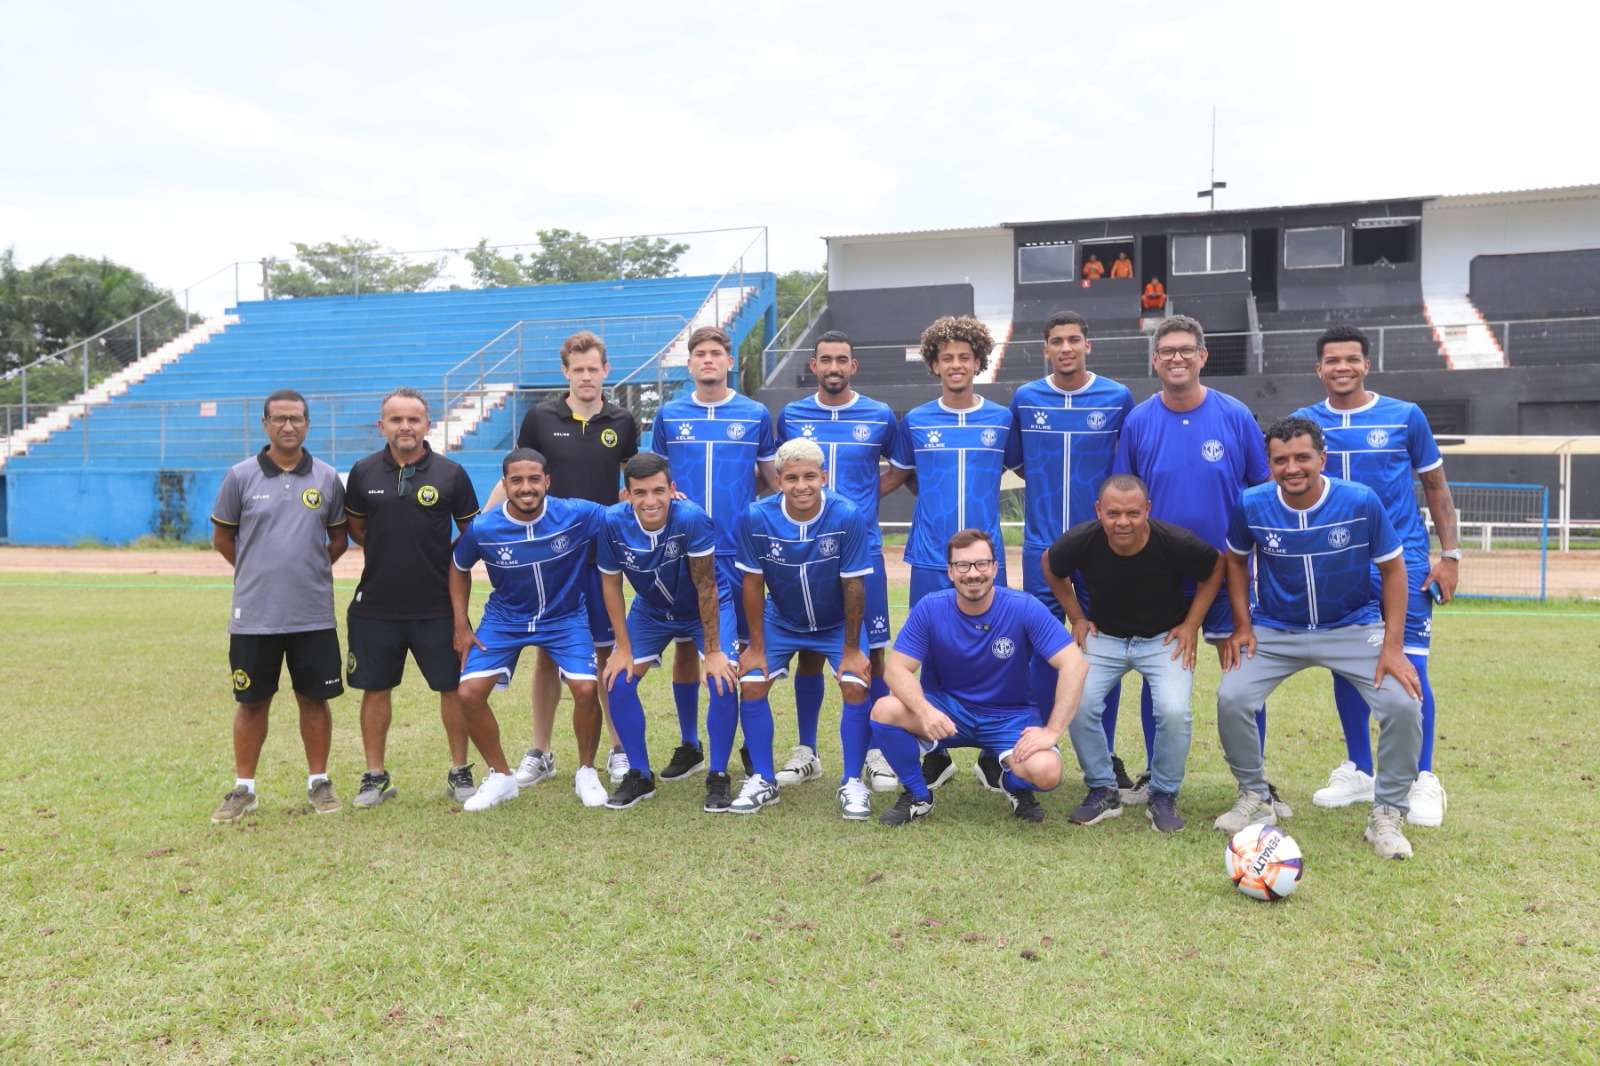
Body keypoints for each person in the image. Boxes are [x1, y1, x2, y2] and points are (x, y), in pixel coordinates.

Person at [1213, 417, 1424, 860]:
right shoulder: (1251, 504)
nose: (1292, 467)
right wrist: (1243, 624)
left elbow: (1393, 569)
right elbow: (1234, 560)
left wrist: (1392, 645)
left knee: (1403, 704)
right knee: (1232, 697)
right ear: (1268, 463)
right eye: (1281, 459)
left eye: (1302, 457)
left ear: (1321, 459)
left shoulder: (1360, 501)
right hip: (1275, 630)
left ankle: (1387, 812)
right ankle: (1256, 797)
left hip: (1351, 626)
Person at [1112, 314, 1280, 813]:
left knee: (1243, 680)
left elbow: (1262, 489)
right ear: (1155, 360)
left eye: (1187, 349)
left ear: (1203, 356)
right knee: (1157, 678)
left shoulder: (1234, 415)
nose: (1177, 358)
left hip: (1228, 572)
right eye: (1167, 351)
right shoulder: (1139, 421)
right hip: (1159, 575)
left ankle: (1254, 782)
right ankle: (1154, 774)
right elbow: (1125, 496)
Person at [1294, 325, 1460, 826]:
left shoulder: (1404, 416)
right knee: (1347, 665)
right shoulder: (1304, 422)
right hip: (1334, 566)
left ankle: (1421, 778)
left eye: (1351, 359)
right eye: (1331, 360)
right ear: (1318, 368)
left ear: (1367, 364)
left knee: (1410, 663)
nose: (1341, 367)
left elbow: (1435, 487)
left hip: (1402, 562)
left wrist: (1449, 555)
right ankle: (1360, 769)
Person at [880, 315, 1017, 807]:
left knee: (991, 650)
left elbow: (1029, 468)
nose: (956, 365)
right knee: (931, 652)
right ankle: (936, 750)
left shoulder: (1001, 418)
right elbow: (897, 477)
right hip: (928, 555)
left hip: (985, 560)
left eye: (965, 356)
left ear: (978, 362)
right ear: (934, 365)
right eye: (947, 358)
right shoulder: (915, 421)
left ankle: (989, 749)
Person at [867, 530, 1088, 827]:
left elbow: (1075, 664)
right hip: (949, 713)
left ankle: (1013, 786)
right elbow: (895, 669)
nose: (973, 573)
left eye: (982, 564)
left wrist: (1052, 730)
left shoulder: (1024, 607)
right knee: (884, 710)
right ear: (950, 571)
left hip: (1010, 717)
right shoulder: (931, 607)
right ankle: (919, 796)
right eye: (963, 565)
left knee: (1048, 772)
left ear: (995, 568)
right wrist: (925, 710)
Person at [500, 331, 639, 790]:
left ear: (605, 370)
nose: (585, 376)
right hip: (549, 556)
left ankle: (619, 750)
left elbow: (632, 483)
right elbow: (518, 474)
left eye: (592, 368)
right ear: (565, 372)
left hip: (601, 555)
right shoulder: (540, 417)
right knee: (546, 654)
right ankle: (541, 751)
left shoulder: (623, 421)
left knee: (606, 654)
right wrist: (482, 525)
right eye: (577, 369)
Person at [1044, 475, 1223, 832]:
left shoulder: (1174, 540)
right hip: (1105, 638)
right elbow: (1050, 563)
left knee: (1173, 711)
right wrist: (1077, 616)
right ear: (1098, 511)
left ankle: (1163, 794)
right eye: (1112, 514)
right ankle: (1102, 788)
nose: (1122, 522)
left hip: (1161, 640)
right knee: (1077, 703)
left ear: (1147, 511)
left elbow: (1216, 565)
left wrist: (1191, 624)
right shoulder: (1082, 540)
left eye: (1132, 513)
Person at [1005, 310, 1134, 789]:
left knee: (1102, 650)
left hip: (1101, 549)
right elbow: (1018, 464)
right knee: (1039, 652)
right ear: (1045, 349)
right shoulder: (1026, 398)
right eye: (1056, 340)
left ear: (1087, 346)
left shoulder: (1117, 397)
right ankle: (1036, 746)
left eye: (1074, 340)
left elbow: (1125, 473)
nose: (1065, 348)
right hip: (1042, 545)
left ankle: (1104, 754)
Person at [209, 389, 349, 823]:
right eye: (280, 419)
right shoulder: (239, 476)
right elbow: (222, 540)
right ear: (265, 424)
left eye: (296, 419)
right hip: (254, 616)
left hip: (312, 615)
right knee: (252, 702)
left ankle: (318, 782)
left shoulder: (327, 478)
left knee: (314, 699)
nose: (288, 426)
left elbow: (339, 539)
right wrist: (258, 572)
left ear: (308, 424)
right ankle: (244, 789)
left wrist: (307, 571)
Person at [647, 325, 777, 782]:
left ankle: (745, 742)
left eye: (716, 353)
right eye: (699, 353)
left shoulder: (755, 413)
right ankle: (689, 743)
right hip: (679, 551)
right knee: (687, 645)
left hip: (736, 551)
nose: (708, 360)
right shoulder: (668, 415)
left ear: (729, 362)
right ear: (689, 364)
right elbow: (654, 479)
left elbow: (767, 476)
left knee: (740, 647)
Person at [448, 448, 609, 811]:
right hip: (505, 619)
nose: (526, 487)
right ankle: (501, 776)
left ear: (547, 482)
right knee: (469, 694)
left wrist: (665, 499)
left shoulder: (576, 513)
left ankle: (586, 771)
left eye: (534, 479)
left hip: (565, 617)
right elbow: (458, 566)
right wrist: (461, 623)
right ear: (504, 484)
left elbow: (625, 516)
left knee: (586, 689)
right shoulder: (485, 526)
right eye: (516, 480)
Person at [343, 387, 481, 808]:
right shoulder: (363, 472)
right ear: (382, 425)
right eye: (397, 419)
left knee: (453, 689)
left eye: (414, 419)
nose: (406, 427)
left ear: (427, 424)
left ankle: (459, 772)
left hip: (437, 606)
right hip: (376, 607)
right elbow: (357, 529)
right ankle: (375, 776)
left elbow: (471, 534)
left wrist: (439, 562)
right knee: (375, 690)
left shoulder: (451, 473)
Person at [776, 330, 899, 793]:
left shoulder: (880, 415)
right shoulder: (791, 415)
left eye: (841, 359)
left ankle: (877, 751)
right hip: (807, 552)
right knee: (809, 648)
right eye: (825, 359)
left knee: (876, 652)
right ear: (813, 365)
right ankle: (807, 751)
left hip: (864, 550)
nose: (833, 366)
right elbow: (777, 473)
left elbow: (900, 470)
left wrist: (862, 503)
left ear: (854, 366)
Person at [735, 439, 874, 818]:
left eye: (810, 476)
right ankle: (764, 779)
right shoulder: (756, 517)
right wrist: (756, 646)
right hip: (781, 619)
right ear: (777, 480)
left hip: (835, 623)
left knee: (855, 683)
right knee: (750, 681)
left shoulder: (847, 515)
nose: (802, 486)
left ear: (824, 477)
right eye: (792, 477)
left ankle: (852, 781)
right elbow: (751, 583)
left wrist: (850, 650)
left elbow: (855, 586)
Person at [595, 453, 739, 812]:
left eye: (659, 490)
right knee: (617, 680)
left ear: (672, 489)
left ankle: (718, 775)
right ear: (625, 495)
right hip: (652, 610)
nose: (650, 500)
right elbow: (610, 586)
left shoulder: (691, 518)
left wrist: (715, 649)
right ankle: (640, 775)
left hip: (703, 607)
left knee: (722, 680)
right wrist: (622, 648)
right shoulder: (612, 523)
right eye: (640, 492)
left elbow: (706, 586)